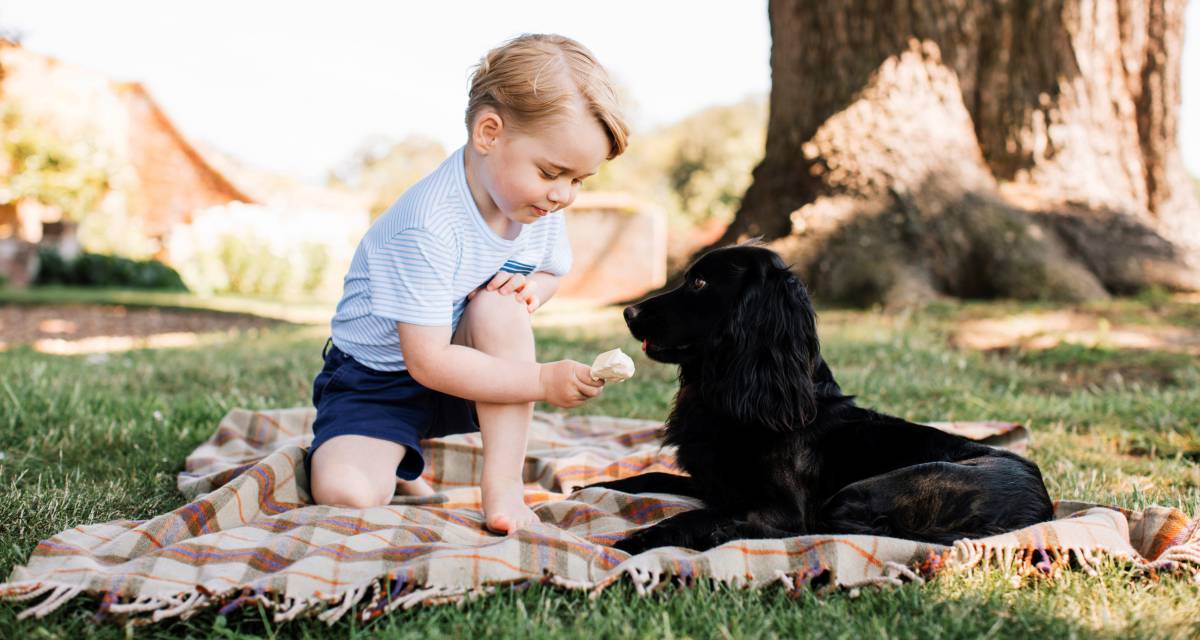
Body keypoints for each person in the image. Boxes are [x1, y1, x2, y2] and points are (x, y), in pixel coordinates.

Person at [307, 33, 630, 535]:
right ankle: (389, 453)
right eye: (552, 172)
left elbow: (549, 272)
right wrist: (543, 381)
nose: (564, 194)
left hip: (467, 367)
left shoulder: (536, 204)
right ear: (489, 133)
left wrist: (531, 293)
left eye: (579, 180)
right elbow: (427, 361)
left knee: (501, 309)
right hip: (378, 380)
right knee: (347, 495)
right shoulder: (428, 225)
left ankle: (502, 488)